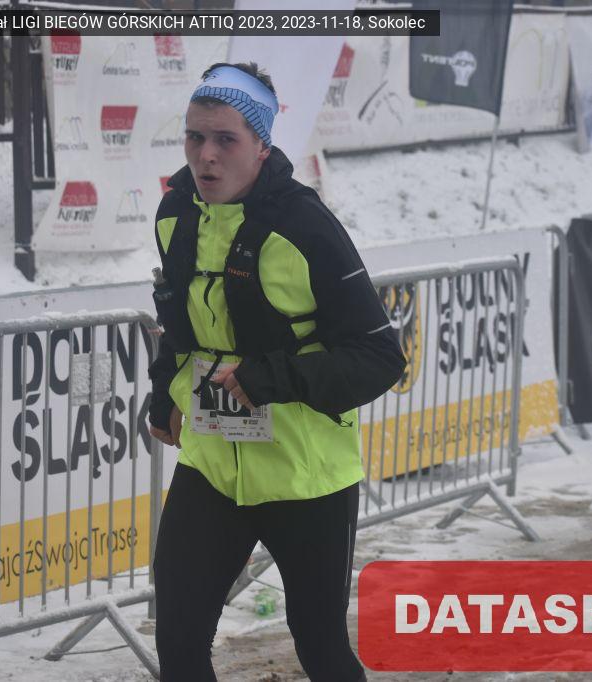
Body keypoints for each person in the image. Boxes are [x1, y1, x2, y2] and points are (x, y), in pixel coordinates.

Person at [147, 61, 406, 682]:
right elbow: (180, 320)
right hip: (213, 463)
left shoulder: (305, 226)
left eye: (226, 140)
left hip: (305, 474)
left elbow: (380, 356)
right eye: (194, 137)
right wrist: (163, 391)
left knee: (319, 645)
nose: (206, 156)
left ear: (262, 146)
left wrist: (272, 379)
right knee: (178, 643)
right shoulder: (176, 212)